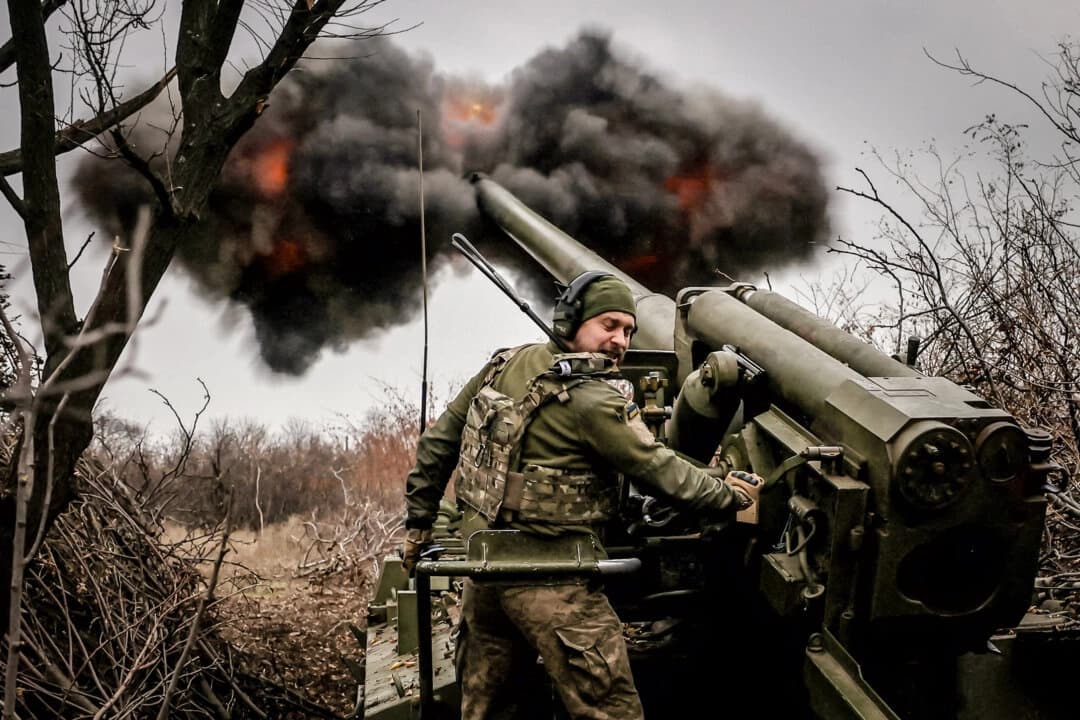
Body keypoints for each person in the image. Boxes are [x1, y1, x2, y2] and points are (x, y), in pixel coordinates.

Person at [402, 271, 761, 720]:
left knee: (489, 709)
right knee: (611, 710)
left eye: (628, 330)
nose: (620, 341)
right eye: (608, 325)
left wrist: (418, 524)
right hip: (555, 583)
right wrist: (729, 496)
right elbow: (659, 470)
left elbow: (438, 443)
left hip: (485, 576)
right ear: (570, 322)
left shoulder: (504, 364)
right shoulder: (593, 399)